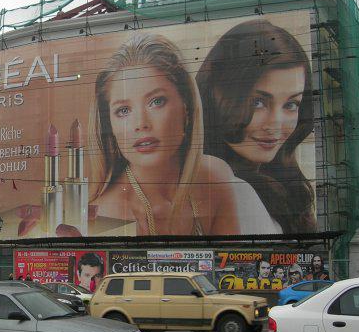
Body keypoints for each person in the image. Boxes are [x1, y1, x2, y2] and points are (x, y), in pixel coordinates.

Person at [89, 33, 245, 235]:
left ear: (186, 107)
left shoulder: (214, 176)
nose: (141, 124)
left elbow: (230, 263)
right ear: (109, 124)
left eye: (156, 101)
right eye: (124, 110)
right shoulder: (109, 213)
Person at [196, 19, 316, 234]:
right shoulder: (232, 189)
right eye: (258, 102)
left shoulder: (278, 181)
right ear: (216, 97)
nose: (275, 125)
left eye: (291, 104)